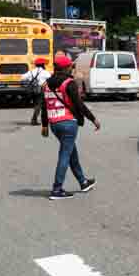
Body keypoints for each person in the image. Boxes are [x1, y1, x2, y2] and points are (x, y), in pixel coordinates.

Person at [40, 52, 99, 200]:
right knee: (65, 155)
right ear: (66, 68)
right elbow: (79, 105)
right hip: (68, 123)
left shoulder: (46, 84)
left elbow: (44, 105)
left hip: (54, 124)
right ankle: (57, 189)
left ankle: (83, 182)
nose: (71, 69)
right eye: (70, 67)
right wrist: (93, 119)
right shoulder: (69, 83)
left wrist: (45, 125)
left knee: (71, 152)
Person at [21, 58, 51, 125]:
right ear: (43, 65)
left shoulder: (31, 72)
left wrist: (30, 79)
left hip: (32, 90)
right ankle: (34, 120)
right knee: (39, 105)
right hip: (41, 90)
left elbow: (22, 77)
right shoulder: (45, 72)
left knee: (36, 104)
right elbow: (50, 79)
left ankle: (36, 119)